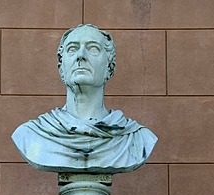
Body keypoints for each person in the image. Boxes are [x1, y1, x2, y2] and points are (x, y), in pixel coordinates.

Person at [12, 24, 157, 174]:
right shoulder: (33, 134)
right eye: (72, 49)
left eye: (93, 48)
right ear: (61, 68)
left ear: (109, 67)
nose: (81, 55)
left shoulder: (135, 138)